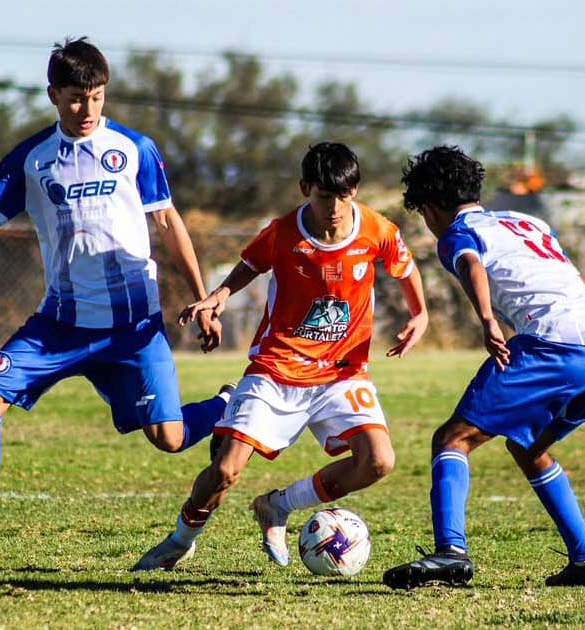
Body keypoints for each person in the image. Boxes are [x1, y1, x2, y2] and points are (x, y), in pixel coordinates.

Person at [0, 37, 231, 574]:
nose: (88, 110)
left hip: (132, 328)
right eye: (77, 98)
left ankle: (226, 405)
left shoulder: (134, 149)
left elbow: (168, 223)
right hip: (58, 325)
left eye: (98, 97)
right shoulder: (31, 159)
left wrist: (204, 298)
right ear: (54, 93)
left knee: (169, 439)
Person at [131, 142, 429, 571]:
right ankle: (180, 540)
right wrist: (217, 297)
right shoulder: (285, 232)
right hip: (276, 370)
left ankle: (278, 506)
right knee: (225, 471)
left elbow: (404, 266)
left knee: (379, 460)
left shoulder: (376, 230)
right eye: (324, 196)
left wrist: (419, 314)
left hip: (342, 373)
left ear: (356, 191)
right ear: (305, 188)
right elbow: (250, 264)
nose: (334, 207)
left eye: (343, 196)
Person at [383, 146, 585, 591]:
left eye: (423, 211)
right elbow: (581, 284)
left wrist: (487, 320)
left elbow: (472, 264)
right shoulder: (527, 222)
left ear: (431, 206)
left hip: (554, 342)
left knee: (451, 438)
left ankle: (451, 552)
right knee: (528, 446)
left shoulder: (457, 231)